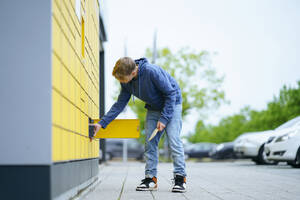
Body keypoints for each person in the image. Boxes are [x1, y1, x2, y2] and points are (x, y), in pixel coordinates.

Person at [91, 57, 187, 193]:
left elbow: (170, 93)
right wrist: (102, 123)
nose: (121, 82)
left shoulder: (151, 71)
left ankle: (180, 178)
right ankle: (151, 179)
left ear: (133, 72)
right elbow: (120, 104)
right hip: (154, 108)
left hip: (172, 103)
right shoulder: (126, 83)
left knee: (173, 140)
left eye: (122, 79)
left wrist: (164, 119)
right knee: (150, 142)